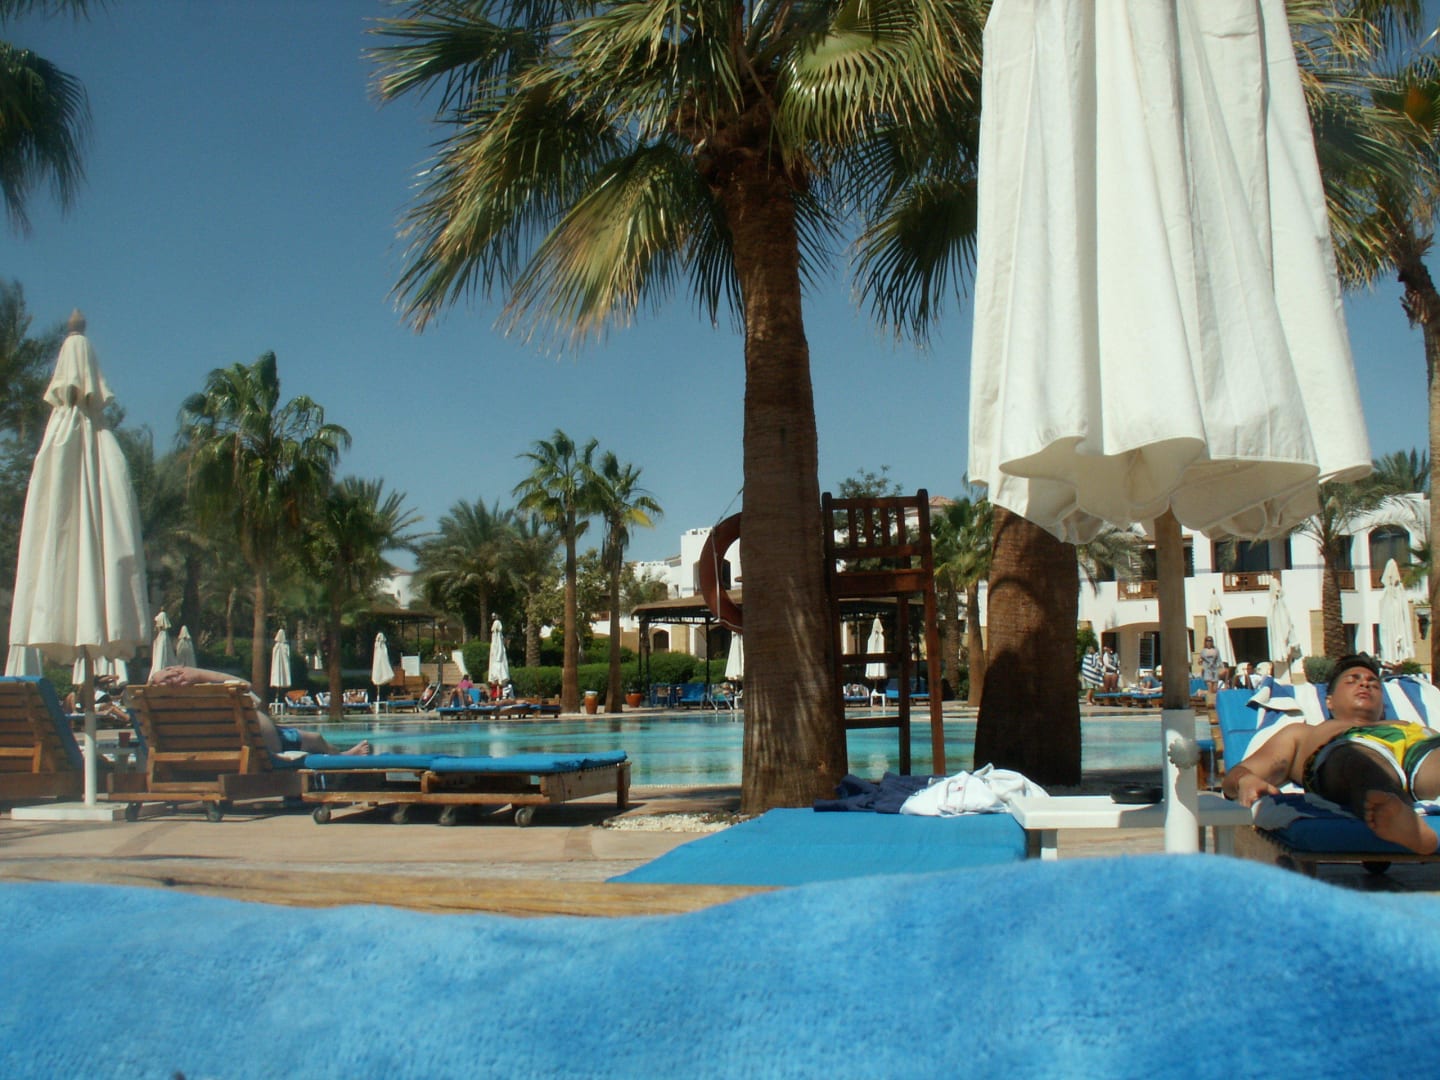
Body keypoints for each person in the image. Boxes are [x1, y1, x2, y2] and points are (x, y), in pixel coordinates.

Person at [1221, 653, 1440, 855]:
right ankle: (1397, 818)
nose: (1365, 683)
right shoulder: (1302, 733)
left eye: (1374, 683)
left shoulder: (1406, 724)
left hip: (1416, 744)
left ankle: (1398, 815)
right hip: (1348, 750)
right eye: (1352, 680)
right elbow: (1238, 775)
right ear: (1329, 700)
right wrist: (1246, 781)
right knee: (1358, 759)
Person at [149, 665, 371, 757]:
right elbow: (245, 686)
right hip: (257, 746)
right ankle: (343, 757)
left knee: (304, 738)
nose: (175, 672)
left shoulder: (157, 706)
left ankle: (341, 756)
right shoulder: (205, 695)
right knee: (316, 739)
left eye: (171, 669)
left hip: (203, 752)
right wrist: (200, 674)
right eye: (169, 673)